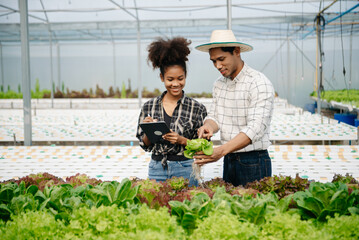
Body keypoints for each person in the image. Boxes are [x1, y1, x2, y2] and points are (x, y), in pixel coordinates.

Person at [194, 30, 275, 187]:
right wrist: (208, 126)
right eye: (213, 61)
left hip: (254, 161)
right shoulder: (219, 84)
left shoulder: (258, 83)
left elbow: (255, 128)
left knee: (254, 208)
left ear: (236, 52)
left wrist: (221, 151)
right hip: (229, 159)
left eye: (221, 59)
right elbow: (215, 116)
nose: (218, 66)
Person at [136, 37, 207, 186]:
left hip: (185, 169)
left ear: (185, 76)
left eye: (180, 78)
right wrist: (149, 131)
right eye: (170, 79)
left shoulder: (197, 108)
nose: (175, 84)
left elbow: (204, 147)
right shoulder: (149, 107)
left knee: (186, 207)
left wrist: (182, 140)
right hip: (156, 169)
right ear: (162, 78)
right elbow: (145, 145)